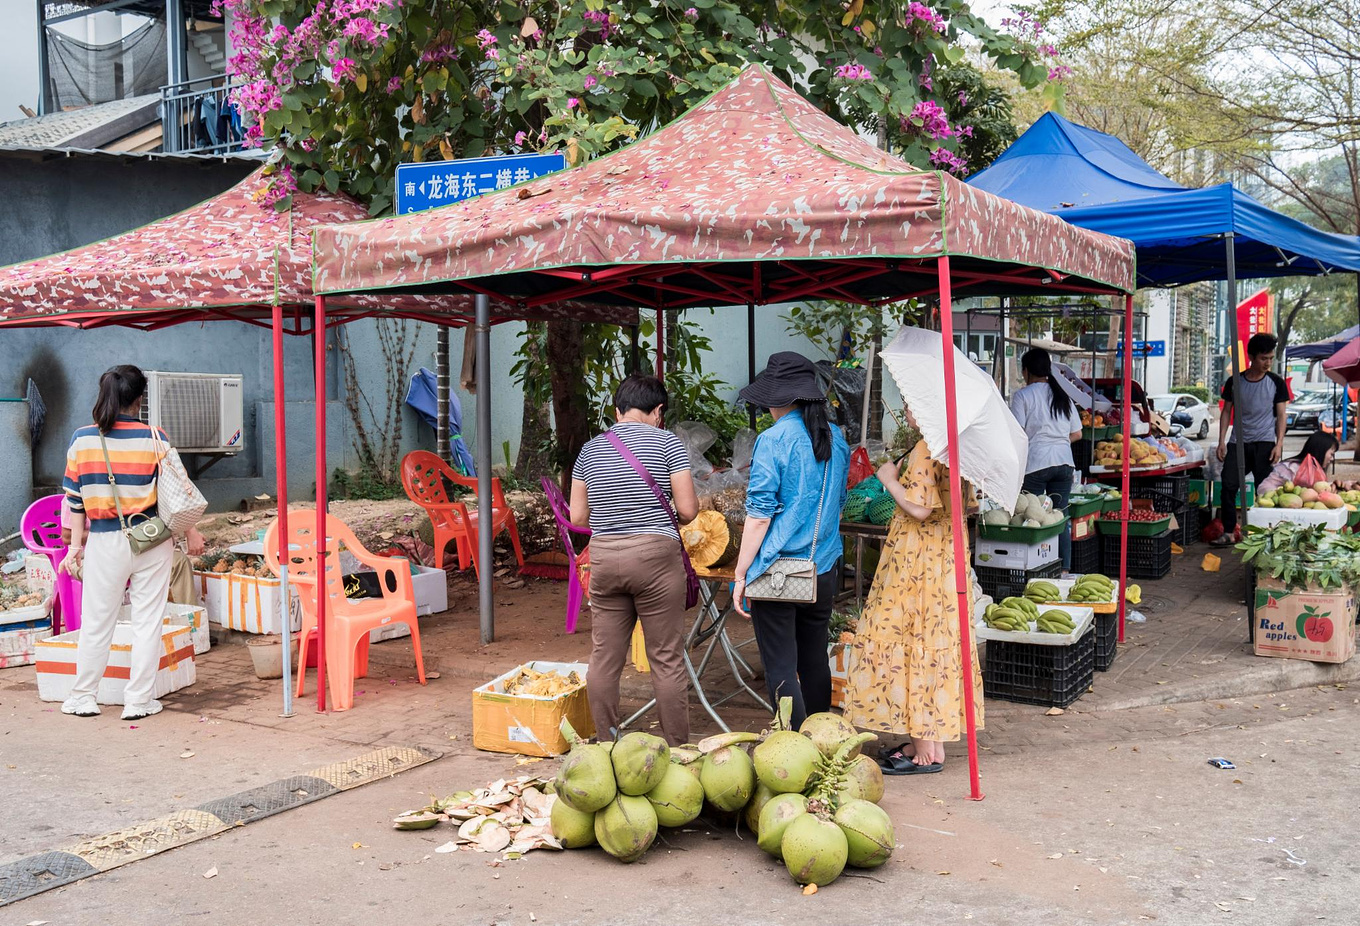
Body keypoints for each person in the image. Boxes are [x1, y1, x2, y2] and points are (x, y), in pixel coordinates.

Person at [841, 406, 984, 775]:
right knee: (934, 638)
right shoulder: (956, 446)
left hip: (918, 557)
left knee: (911, 635)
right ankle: (931, 742)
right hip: (945, 554)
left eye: (911, 402)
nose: (906, 408)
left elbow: (919, 510)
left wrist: (890, 479)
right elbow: (965, 504)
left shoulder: (927, 447)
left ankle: (923, 748)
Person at [570, 374, 698, 746]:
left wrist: (615, 519)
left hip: (605, 559)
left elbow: (578, 518)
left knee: (605, 659)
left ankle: (607, 744)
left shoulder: (590, 449)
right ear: (658, 411)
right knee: (665, 659)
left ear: (617, 411)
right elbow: (688, 510)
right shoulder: (669, 443)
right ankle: (678, 751)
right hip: (657, 559)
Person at [731, 352, 849, 732]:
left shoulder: (774, 440)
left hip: (780, 571)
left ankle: (794, 744)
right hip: (825, 567)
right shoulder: (838, 440)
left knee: (781, 663)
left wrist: (741, 572)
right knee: (813, 657)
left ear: (777, 398)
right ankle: (822, 738)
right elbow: (838, 503)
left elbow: (760, 514)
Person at [58, 366, 176, 720]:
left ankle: (83, 696)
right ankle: (138, 701)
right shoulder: (156, 437)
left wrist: (74, 548)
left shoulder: (82, 439)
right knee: (148, 621)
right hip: (151, 539)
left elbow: (75, 501)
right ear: (140, 399)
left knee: (96, 622)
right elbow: (174, 495)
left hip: (105, 540)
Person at [1010, 347, 1082, 569]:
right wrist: (1057, 443)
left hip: (1036, 464)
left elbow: (1018, 434)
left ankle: (1038, 566)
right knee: (1059, 518)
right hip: (1064, 463)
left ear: (1026, 371)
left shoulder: (1022, 396)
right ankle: (1065, 569)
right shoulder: (1062, 395)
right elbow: (1077, 433)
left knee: (1033, 517)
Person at [1215, 333, 1289, 544]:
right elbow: (1226, 412)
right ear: (1251, 357)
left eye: (1270, 358)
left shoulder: (1276, 382)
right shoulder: (1235, 382)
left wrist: (1279, 444)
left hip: (1265, 443)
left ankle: (1265, 535)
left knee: (1264, 490)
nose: (1268, 363)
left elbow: (1282, 415)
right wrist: (1221, 441)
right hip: (1238, 443)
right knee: (1228, 487)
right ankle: (1229, 532)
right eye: (1263, 358)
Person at [1258, 431, 1339, 493]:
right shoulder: (1289, 468)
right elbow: (1263, 488)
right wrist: (1284, 495)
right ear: (1320, 451)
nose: (1331, 459)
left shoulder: (1317, 471)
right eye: (1331, 454)